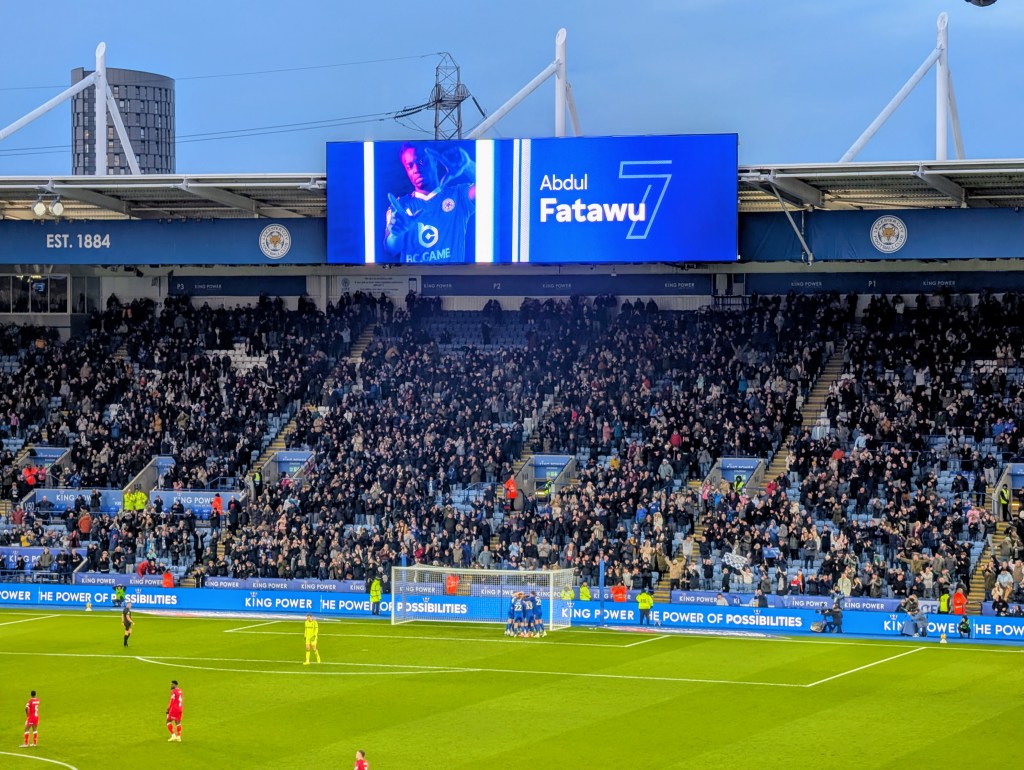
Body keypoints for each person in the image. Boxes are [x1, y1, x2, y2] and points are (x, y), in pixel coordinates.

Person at [383, 142, 476, 265]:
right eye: (410, 166)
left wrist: (468, 165)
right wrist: (396, 235)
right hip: (415, 281)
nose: (416, 169)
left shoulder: (458, 195)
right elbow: (391, 249)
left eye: (421, 161)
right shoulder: (400, 206)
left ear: (435, 160)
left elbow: (491, 189)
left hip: (452, 282)